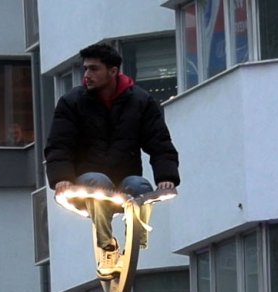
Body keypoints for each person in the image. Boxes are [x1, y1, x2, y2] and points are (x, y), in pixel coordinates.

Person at [44, 42, 179, 278]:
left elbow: (159, 142)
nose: (87, 75)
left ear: (113, 71)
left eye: (94, 69)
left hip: (125, 179)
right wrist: (62, 178)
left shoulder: (140, 101)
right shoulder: (72, 102)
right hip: (89, 182)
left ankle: (137, 239)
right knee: (98, 183)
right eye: (86, 69)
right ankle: (107, 246)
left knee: (141, 187)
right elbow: (59, 144)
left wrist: (166, 177)